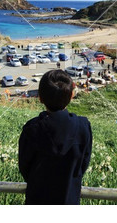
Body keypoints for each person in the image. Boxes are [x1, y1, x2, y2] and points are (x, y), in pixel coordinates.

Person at [18, 70, 92, 205]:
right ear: (71, 96)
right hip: (69, 198)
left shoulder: (32, 128)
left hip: (37, 200)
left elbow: (24, 167)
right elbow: (83, 164)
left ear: (40, 97)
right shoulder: (83, 127)